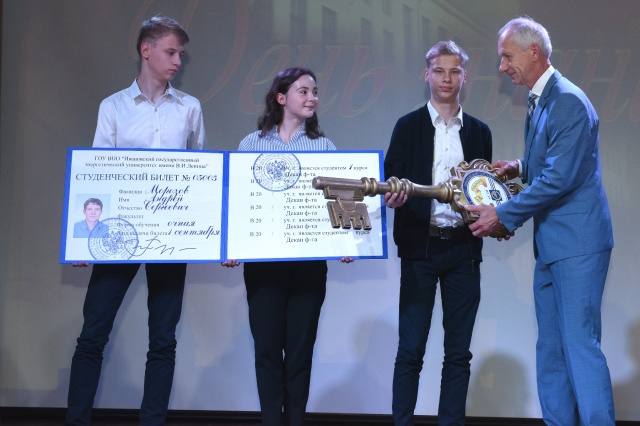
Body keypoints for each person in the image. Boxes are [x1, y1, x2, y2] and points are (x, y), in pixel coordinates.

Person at [465, 16, 615, 425]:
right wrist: (518, 165)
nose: (502, 67)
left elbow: (559, 178)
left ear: (534, 52)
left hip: (578, 245)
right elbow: (553, 159)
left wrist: (502, 214)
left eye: (506, 57)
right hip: (551, 244)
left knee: (579, 346)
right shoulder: (541, 99)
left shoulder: (567, 100)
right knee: (550, 350)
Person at [65, 16, 206, 426]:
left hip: (170, 238)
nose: (178, 61)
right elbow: (94, 175)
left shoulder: (190, 108)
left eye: (180, 54)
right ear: (146, 50)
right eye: (171, 52)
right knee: (93, 333)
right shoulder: (113, 106)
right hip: (117, 236)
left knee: (163, 339)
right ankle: (76, 420)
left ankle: (153, 420)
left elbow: (201, 173)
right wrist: (84, 241)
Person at [223, 67, 352, 426]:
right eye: (304, 91)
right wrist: (231, 245)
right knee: (266, 351)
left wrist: (346, 240)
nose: (312, 98)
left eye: (315, 92)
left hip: (307, 267)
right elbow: (239, 201)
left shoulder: (324, 147)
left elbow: (338, 203)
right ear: (281, 98)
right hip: (263, 267)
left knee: (299, 353)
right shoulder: (251, 145)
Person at [383, 41, 492, 425]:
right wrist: (393, 196)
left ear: (465, 76)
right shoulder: (407, 126)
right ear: (427, 74)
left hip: (464, 251)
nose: (447, 79)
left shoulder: (479, 131)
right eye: (440, 71)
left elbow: (484, 189)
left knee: (458, 354)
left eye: (454, 71)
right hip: (420, 249)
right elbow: (390, 183)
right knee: (411, 349)